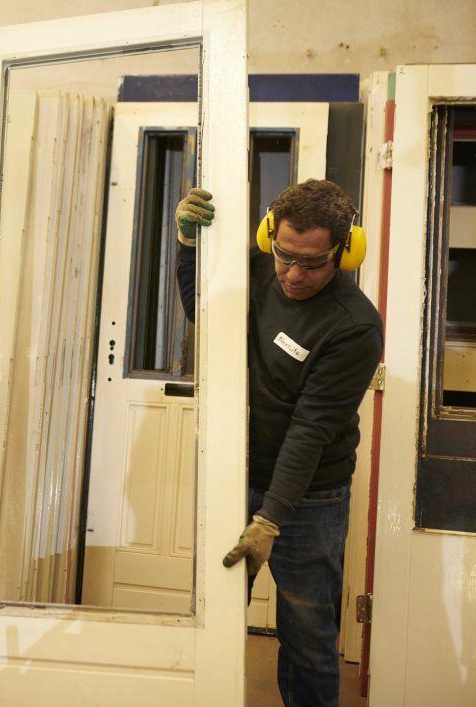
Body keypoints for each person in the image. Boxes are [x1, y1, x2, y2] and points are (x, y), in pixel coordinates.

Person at [175, 179, 383, 707]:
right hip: (238, 476)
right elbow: (202, 309)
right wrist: (188, 244)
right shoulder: (255, 269)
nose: (292, 274)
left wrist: (269, 519)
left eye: (311, 263)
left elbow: (311, 428)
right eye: (285, 256)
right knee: (213, 619)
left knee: (307, 639)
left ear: (345, 252)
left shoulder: (355, 327)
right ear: (270, 237)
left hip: (311, 497)